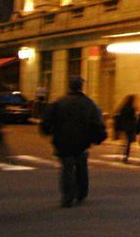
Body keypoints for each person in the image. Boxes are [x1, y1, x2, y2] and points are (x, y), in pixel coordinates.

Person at [40, 76, 107, 207]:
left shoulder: (59, 103)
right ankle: (82, 192)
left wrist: (48, 132)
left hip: (63, 140)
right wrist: (98, 138)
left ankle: (67, 196)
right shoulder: (89, 104)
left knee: (67, 168)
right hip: (82, 141)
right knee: (81, 165)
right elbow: (97, 123)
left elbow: (47, 121)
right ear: (81, 87)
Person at [115, 94, 139, 162]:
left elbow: (119, 114)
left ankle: (123, 153)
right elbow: (134, 118)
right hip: (130, 126)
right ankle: (126, 155)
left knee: (125, 141)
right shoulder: (132, 108)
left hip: (125, 126)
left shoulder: (124, 107)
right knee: (128, 142)